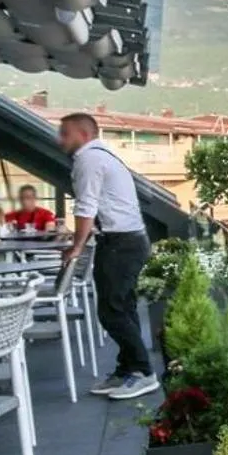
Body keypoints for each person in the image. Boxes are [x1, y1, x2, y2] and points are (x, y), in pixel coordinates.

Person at [59, 113, 157, 399]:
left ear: (84, 134)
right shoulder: (104, 155)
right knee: (122, 307)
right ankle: (128, 369)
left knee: (111, 311)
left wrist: (76, 247)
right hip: (129, 241)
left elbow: (86, 207)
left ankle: (143, 373)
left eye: (66, 133)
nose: (60, 139)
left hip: (120, 243)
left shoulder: (88, 159)